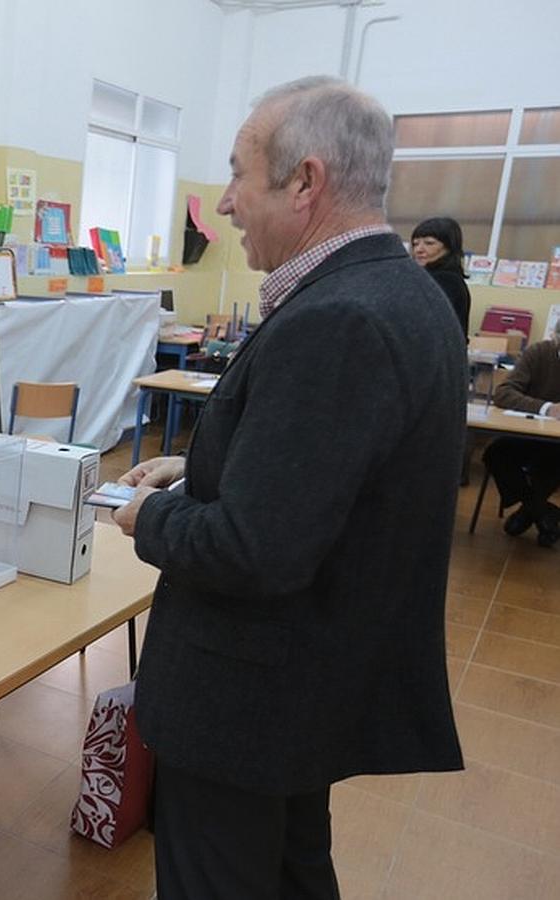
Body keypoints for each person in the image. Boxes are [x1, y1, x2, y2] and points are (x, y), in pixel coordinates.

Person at [112, 76, 464, 899]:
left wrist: (149, 515)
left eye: (238, 175)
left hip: (248, 697)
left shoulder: (337, 320)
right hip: (310, 684)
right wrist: (198, 468)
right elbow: (331, 476)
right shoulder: (401, 293)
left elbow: (254, 549)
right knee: (293, 868)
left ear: (304, 183)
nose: (225, 203)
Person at [482, 338, 560, 545]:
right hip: (527, 434)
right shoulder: (539, 353)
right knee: (495, 452)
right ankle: (543, 512)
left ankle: (530, 512)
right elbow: (504, 393)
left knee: (555, 459)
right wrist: (547, 408)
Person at [412, 216, 471, 335]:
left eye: (429, 243)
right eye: (415, 244)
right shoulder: (427, 277)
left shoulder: (446, 281)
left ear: (449, 247)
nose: (419, 249)